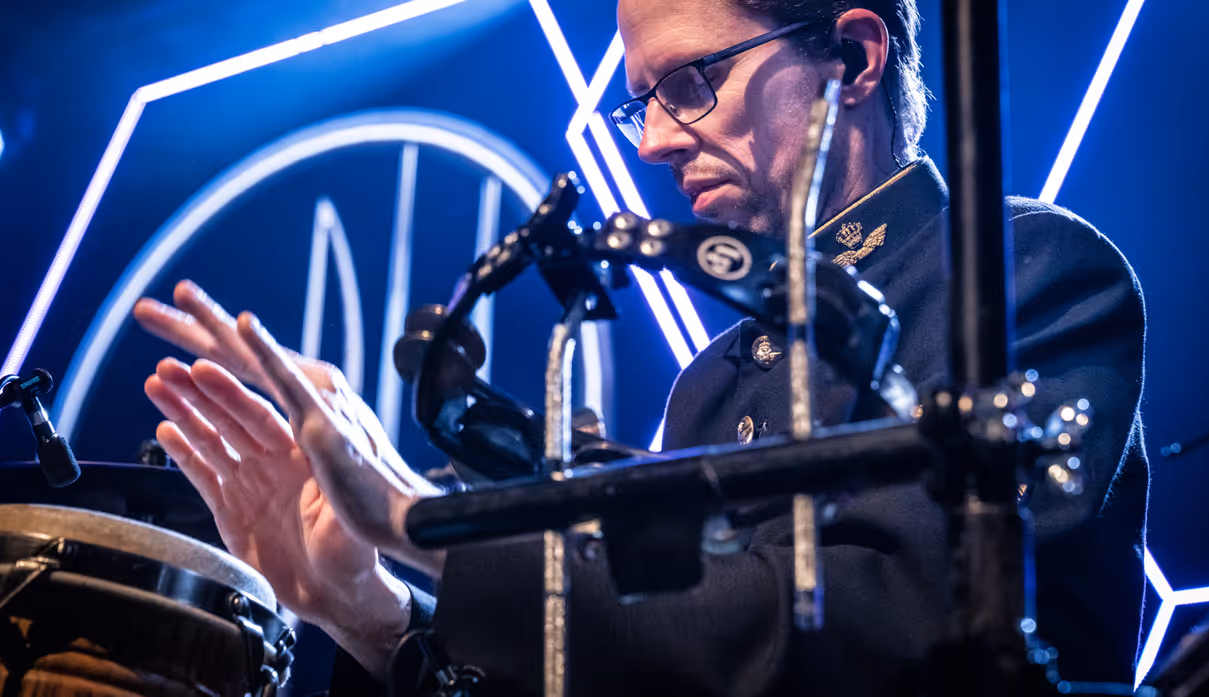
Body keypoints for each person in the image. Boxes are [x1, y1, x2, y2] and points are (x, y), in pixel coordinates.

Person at [133, 0, 1149, 694]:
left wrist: (426, 522)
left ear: (854, 58)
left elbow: (887, 641)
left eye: (691, 82)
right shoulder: (713, 382)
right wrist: (374, 613)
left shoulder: (1023, 273)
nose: (653, 141)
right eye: (641, 101)